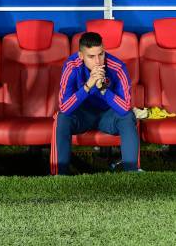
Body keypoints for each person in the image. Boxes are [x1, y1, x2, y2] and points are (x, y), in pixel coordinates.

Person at [51, 31, 140, 175]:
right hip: (83, 116)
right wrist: (87, 86)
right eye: (91, 56)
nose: (98, 61)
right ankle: (61, 174)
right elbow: (64, 107)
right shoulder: (71, 66)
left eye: (101, 54)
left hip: (107, 116)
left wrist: (103, 89)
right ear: (81, 56)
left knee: (128, 117)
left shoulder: (117, 67)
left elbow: (124, 108)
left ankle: (132, 172)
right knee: (62, 118)